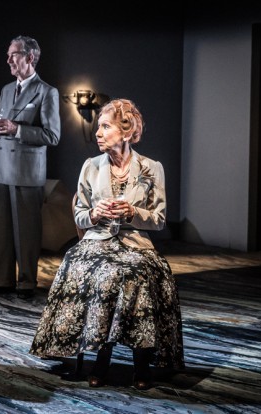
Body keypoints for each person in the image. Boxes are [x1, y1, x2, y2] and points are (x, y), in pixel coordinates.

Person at [29, 98, 185, 390]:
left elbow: (160, 220)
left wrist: (132, 212)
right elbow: (79, 214)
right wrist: (94, 213)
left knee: (137, 273)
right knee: (98, 271)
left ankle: (142, 363)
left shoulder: (151, 168)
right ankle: (101, 358)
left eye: (105, 127)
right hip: (97, 241)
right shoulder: (90, 166)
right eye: (98, 127)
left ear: (126, 132)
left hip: (135, 244)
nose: (98, 133)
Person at [0, 35, 61, 300]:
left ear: (29, 57)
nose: (8, 60)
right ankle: (1, 280)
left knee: (26, 231)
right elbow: (2, 128)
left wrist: (17, 129)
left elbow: (52, 136)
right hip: (2, 168)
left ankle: (26, 282)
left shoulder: (47, 92)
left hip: (27, 172)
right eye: (8, 55)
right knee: (0, 229)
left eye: (13, 54)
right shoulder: (5, 90)